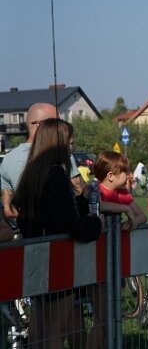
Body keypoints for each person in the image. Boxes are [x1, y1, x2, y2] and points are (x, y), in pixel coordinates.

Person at [11, 118, 103, 349]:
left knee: (40, 329)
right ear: (58, 144)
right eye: (70, 143)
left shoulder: (32, 174)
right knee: (55, 331)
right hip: (58, 263)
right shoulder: (56, 176)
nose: (72, 149)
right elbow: (70, 224)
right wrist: (95, 223)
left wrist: (80, 201)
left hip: (35, 260)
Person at [87, 151, 147, 349]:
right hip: (95, 262)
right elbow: (95, 206)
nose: (129, 175)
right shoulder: (95, 190)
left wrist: (133, 222)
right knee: (102, 317)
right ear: (110, 175)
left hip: (115, 259)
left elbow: (142, 216)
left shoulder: (122, 194)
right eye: (124, 172)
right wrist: (122, 210)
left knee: (112, 313)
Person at [1, 103, 85, 231]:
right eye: (56, 122)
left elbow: (8, 210)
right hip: (61, 237)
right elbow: (79, 192)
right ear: (41, 125)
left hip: (29, 237)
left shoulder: (7, 159)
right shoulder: (59, 155)